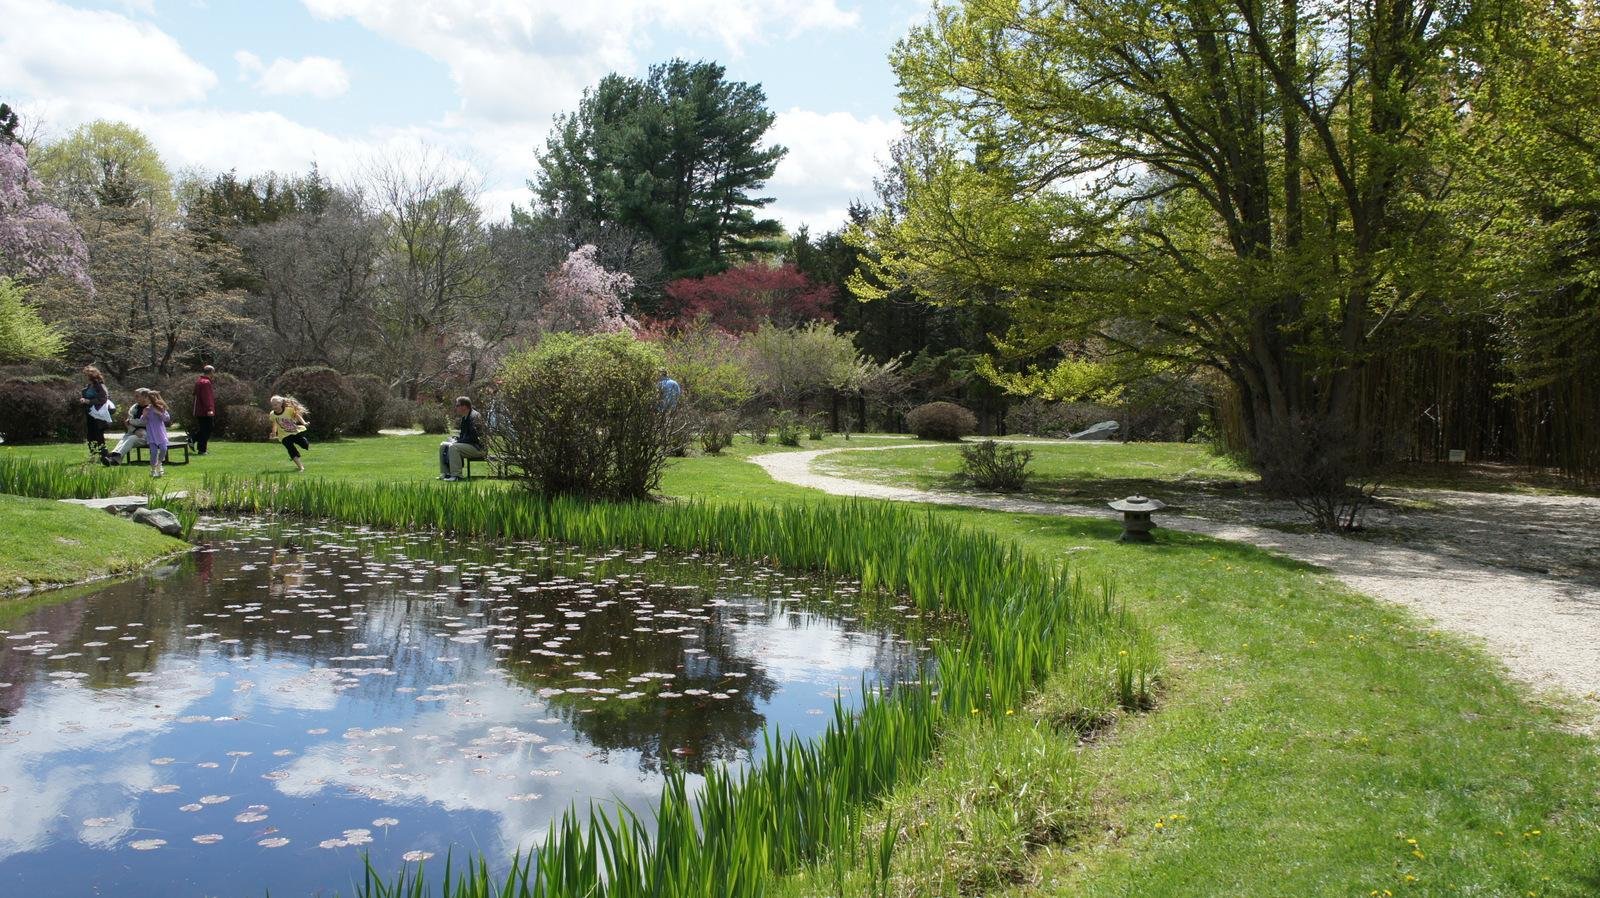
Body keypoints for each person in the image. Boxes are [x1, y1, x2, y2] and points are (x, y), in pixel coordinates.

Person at [438, 396, 485, 481]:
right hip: (470, 445)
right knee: (443, 445)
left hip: (478, 448)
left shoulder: (474, 417)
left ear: (464, 407)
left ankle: (457, 476)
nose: (456, 407)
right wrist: (456, 439)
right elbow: (465, 436)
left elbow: (473, 437)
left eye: (457, 405)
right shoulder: (465, 417)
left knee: (454, 447)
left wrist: (457, 442)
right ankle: (446, 474)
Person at [105, 388, 151, 466]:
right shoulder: (134, 407)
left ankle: (113, 456)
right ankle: (114, 460)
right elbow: (127, 422)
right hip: (133, 432)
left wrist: (131, 421)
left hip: (148, 435)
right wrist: (134, 430)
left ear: (145, 397)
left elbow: (145, 422)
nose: (135, 398)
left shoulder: (151, 408)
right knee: (125, 438)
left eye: (137, 396)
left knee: (131, 438)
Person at [268, 395, 311, 472]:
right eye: (273, 405)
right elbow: (275, 424)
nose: (274, 406)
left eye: (276, 404)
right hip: (283, 436)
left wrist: (304, 423)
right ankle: (301, 467)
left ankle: (304, 441)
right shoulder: (272, 414)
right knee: (291, 449)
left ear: (281, 403)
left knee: (305, 445)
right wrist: (273, 433)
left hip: (294, 432)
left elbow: (297, 416)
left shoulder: (288, 410)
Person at [78, 366, 112, 461]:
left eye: (85, 375)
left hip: (98, 414)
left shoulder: (99, 386)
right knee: (90, 435)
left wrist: (88, 401)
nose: (84, 376)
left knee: (98, 435)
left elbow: (103, 399)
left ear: (91, 376)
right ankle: (92, 455)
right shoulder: (88, 386)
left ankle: (104, 455)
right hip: (90, 413)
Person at [143, 390, 173, 478]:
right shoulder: (147, 409)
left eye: (148, 398)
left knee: (164, 449)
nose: (146, 400)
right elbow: (143, 421)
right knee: (154, 452)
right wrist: (144, 415)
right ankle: (153, 469)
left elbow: (167, 418)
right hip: (151, 434)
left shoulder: (161, 407)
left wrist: (160, 413)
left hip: (160, 433)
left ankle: (159, 464)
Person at [192, 365, 216, 456]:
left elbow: (194, 394)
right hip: (204, 411)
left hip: (198, 410)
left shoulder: (199, 381)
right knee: (208, 429)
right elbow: (207, 397)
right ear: (211, 372)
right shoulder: (206, 383)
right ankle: (200, 447)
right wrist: (209, 409)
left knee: (204, 429)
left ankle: (195, 442)